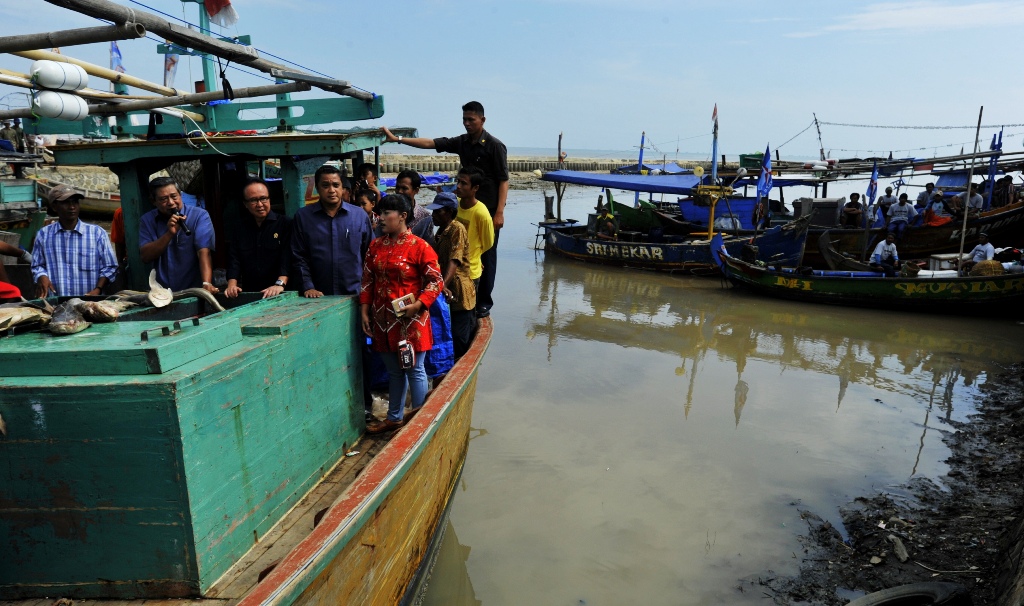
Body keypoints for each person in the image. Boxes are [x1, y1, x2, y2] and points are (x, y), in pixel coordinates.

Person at [382, 100, 508, 318]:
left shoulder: (495, 146)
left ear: (482, 120)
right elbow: (430, 143)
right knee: (459, 253)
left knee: (487, 254)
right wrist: (398, 140)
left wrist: (499, 211)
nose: (467, 124)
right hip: (463, 206)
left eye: (472, 120)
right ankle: (460, 294)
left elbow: (503, 180)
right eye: (464, 120)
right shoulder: (462, 142)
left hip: (486, 209)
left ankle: (484, 302)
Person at [360, 193, 443, 433]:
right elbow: (367, 280)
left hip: (412, 321)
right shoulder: (375, 246)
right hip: (383, 322)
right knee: (395, 371)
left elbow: (435, 281)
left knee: (415, 370)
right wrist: (365, 310)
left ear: (403, 216)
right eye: (379, 213)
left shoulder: (420, 246)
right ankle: (395, 417)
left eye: (387, 213)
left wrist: (419, 305)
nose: (380, 218)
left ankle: (420, 423)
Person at [291, 164, 374, 297]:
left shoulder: (359, 216)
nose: (331, 190)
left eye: (336, 185)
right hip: (316, 296)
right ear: (317, 188)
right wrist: (308, 286)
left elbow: (370, 255)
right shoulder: (303, 217)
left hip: (355, 294)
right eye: (325, 185)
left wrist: (367, 289)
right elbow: (299, 256)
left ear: (342, 188)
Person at [31, 184, 117, 298]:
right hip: (56, 302)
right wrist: (42, 276)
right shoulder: (43, 234)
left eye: (75, 202)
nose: (72, 207)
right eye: (66, 202)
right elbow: (37, 265)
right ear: (54, 207)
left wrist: (98, 289)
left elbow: (110, 266)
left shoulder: (97, 233)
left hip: (89, 302)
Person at [139, 177, 218, 293]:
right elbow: (145, 256)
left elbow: (204, 251)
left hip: (195, 290)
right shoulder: (147, 220)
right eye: (163, 199)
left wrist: (206, 283)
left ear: (180, 195)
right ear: (154, 202)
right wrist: (169, 234)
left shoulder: (199, 215)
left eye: (174, 196)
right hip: (163, 292)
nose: (171, 203)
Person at [225, 177, 292, 299]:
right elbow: (234, 259)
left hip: (281, 293)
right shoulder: (240, 228)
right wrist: (232, 285)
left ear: (269, 199)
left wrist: (280, 284)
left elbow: (288, 257)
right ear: (245, 204)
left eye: (263, 198)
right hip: (251, 294)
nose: (260, 204)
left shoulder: (285, 224)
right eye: (253, 200)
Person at [427, 192, 476, 358]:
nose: (433, 215)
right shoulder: (441, 231)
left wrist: (441, 285)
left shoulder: (457, 229)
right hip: (448, 289)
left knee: (460, 337)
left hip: (459, 292)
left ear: (448, 212)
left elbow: (454, 260)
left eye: (437, 212)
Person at [454, 166, 495, 289]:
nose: (458, 186)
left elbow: (488, 243)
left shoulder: (481, 213)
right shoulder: (454, 204)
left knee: (468, 307)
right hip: (452, 267)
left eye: (464, 183)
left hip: (470, 272)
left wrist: (474, 256)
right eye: (458, 182)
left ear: (475, 188)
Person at [393, 169, 434, 246]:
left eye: (404, 188)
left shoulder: (425, 217)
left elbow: (429, 246)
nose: (399, 191)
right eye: (397, 187)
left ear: (416, 190)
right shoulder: (388, 213)